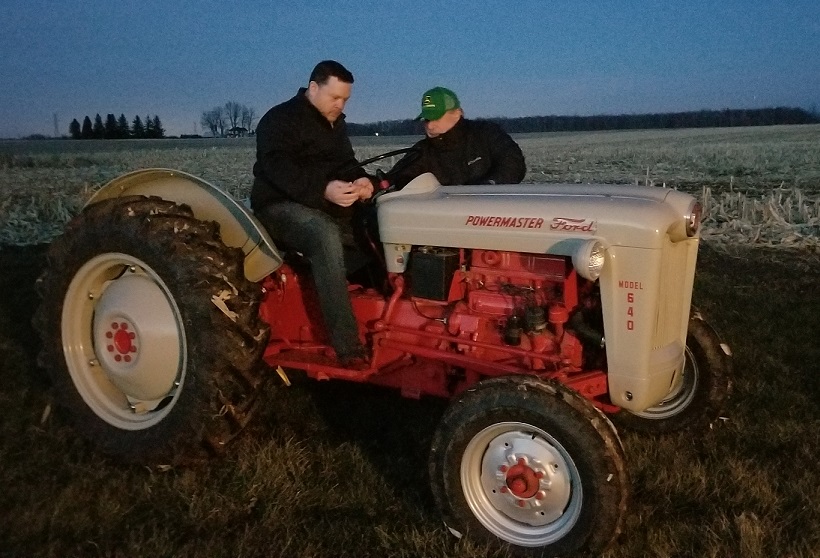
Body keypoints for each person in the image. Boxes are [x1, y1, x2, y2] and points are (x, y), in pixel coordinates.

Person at [251, 60, 373, 367]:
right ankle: (348, 347)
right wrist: (324, 189)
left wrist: (361, 180)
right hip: (278, 206)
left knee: (374, 224)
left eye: (345, 99)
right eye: (335, 98)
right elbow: (279, 169)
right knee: (324, 234)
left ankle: (382, 316)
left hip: (320, 203)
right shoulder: (278, 120)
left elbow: (346, 162)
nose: (340, 105)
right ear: (314, 88)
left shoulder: (334, 124)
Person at [389, 86, 526, 187]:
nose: (430, 126)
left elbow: (513, 164)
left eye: (436, 118)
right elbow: (395, 178)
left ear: (457, 113)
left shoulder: (486, 133)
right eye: (426, 120)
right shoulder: (423, 151)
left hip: (493, 212)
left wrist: (487, 186)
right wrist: (373, 185)